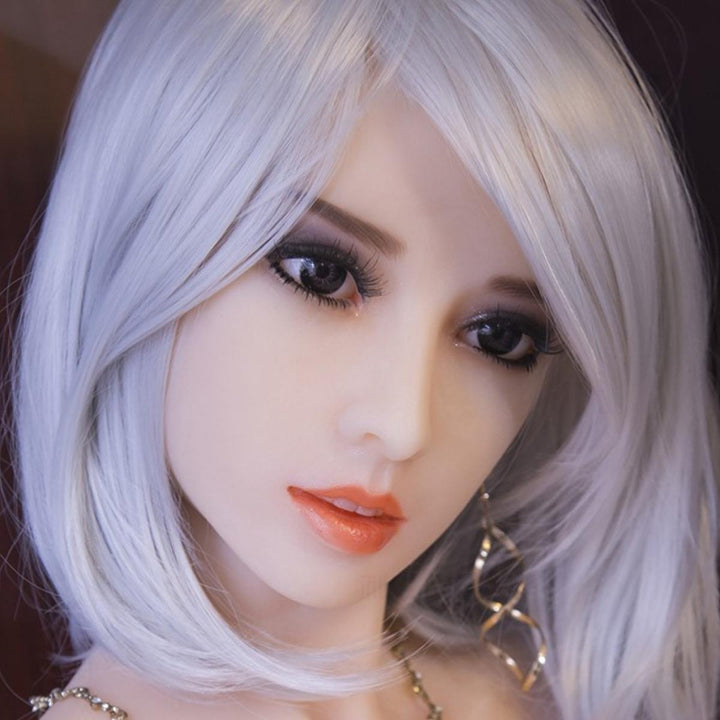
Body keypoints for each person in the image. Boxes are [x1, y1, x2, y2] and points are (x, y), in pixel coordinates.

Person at [10, 0, 719, 718]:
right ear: (144, 237)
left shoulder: (534, 702)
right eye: (321, 275)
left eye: (500, 338)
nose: (403, 425)